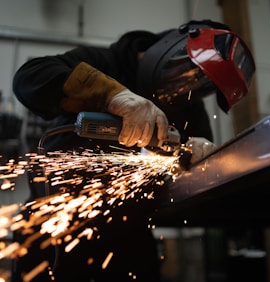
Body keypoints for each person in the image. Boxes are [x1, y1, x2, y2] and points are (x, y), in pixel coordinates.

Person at [12, 19, 255, 282]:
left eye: (202, 85)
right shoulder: (105, 62)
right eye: (188, 73)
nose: (186, 87)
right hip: (53, 225)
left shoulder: (188, 105)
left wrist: (198, 161)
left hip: (128, 235)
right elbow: (29, 77)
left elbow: (193, 176)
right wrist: (113, 95)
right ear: (171, 46)